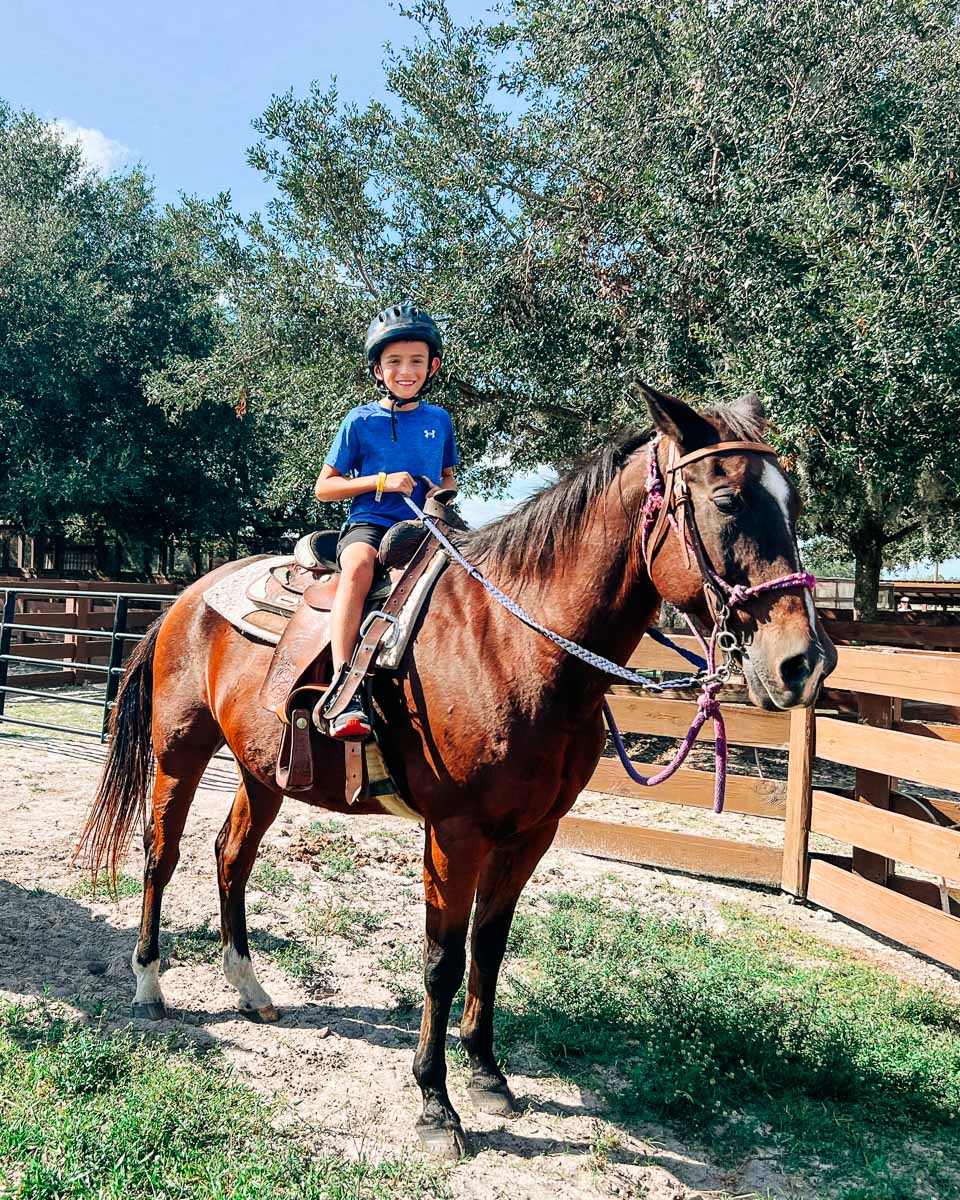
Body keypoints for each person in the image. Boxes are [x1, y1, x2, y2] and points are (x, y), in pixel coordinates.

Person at [314, 301, 459, 739]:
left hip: (423, 527)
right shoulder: (359, 421)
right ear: (379, 369)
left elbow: (447, 473)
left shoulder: (440, 420)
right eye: (394, 362)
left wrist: (440, 492)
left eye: (416, 361)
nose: (406, 370)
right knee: (357, 567)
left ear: (432, 366)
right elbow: (325, 487)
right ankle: (345, 689)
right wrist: (379, 481)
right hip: (371, 523)